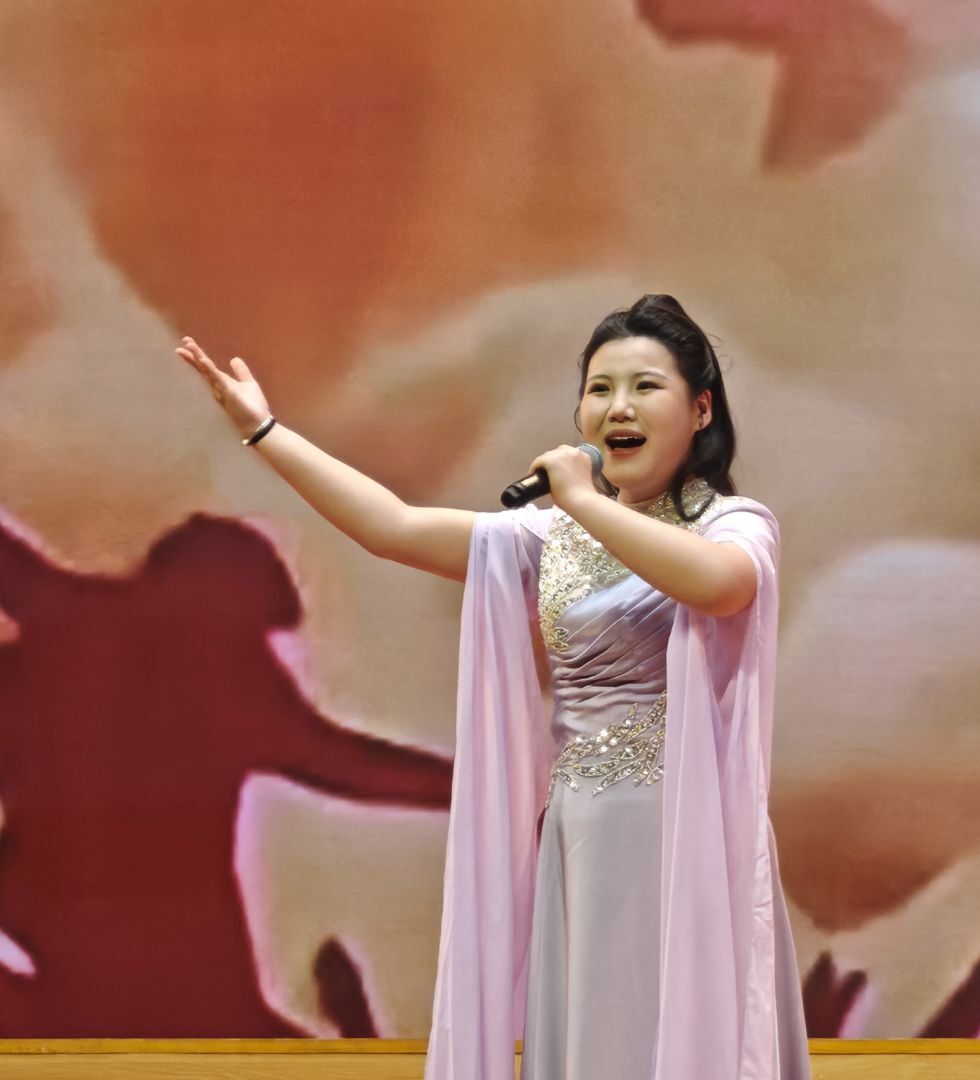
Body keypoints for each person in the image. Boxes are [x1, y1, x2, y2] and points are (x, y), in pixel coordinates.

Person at [176, 293, 812, 1080]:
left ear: (700, 409)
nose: (618, 406)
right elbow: (392, 527)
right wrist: (264, 430)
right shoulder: (552, 537)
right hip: (581, 833)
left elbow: (721, 586)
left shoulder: (733, 523)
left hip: (684, 835)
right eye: (600, 388)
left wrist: (582, 501)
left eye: (645, 386)